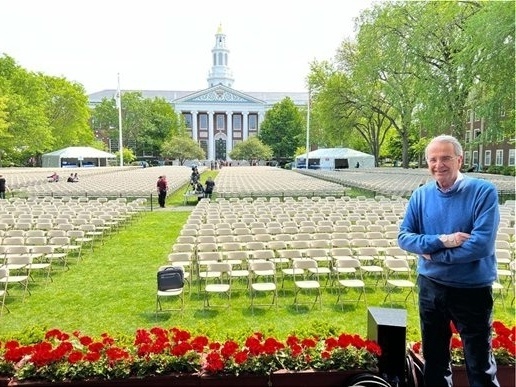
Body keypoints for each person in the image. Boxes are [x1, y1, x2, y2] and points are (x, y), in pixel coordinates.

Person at [398, 134, 500, 387]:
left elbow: (480, 245)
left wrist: (432, 255)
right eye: (432, 159)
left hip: (471, 290)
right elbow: (404, 237)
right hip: (431, 288)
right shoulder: (420, 195)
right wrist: (444, 240)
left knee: (479, 365)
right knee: (435, 361)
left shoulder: (483, 192)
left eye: (445, 158)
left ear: (459, 160)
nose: (438, 164)